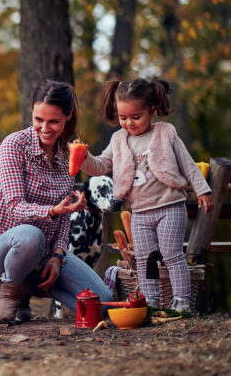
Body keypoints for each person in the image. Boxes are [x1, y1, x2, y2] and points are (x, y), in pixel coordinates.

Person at [0, 80, 112, 325]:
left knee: (100, 304)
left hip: (46, 255)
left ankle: (33, 285)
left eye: (53, 121)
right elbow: (14, 207)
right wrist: (52, 210)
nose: (45, 128)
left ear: (68, 117)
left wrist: (58, 256)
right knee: (30, 235)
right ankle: (12, 291)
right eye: (38, 119)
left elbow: (64, 217)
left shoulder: (66, 155)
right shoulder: (14, 146)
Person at [79, 78, 213, 312]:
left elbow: (188, 163)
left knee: (171, 255)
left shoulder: (165, 133)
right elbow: (100, 166)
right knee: (145, 259)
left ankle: (181, 301)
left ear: (151, 110)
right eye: (123, 118)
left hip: (170, 206)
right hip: (139, 212)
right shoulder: (118, 139)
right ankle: (148, 301)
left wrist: (202, 190)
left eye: (135, 117)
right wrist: (83, 157)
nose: (129, 123)